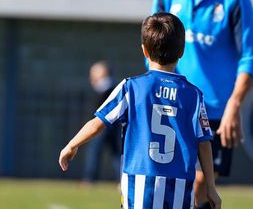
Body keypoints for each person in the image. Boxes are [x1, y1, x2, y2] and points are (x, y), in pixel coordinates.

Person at [152, 0, 253, 209]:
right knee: (174, 184)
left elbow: (250, 59)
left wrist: (234, 106)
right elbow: (152, 51)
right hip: (171, 107)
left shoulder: (236, 0)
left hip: (213, 113)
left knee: (200, 183)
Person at [59, 13, 221, 209]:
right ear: (182, 52)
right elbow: (204, 142)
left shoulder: (131, 87)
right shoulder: (194, 95)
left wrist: (72, 145)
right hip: (179, 185)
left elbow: (97, 123)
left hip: (139, 183)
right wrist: (211, 186)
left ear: (144, 51)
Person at [82, 61, 121, 186]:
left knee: (94, 151)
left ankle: (89, 179)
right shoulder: (116, 86)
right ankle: (122, 179)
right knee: (117, 154)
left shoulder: (106, 86)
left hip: (103, 126)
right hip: (115, 126)